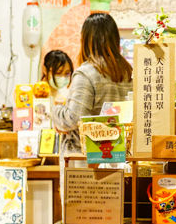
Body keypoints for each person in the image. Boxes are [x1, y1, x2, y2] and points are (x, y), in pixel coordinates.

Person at [51, 12, 133, 156]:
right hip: (118, 155)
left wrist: (55, 110)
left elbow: (73, 119)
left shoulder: (86, 74)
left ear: (86, 40)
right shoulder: (127, 72)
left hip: (86, 159)